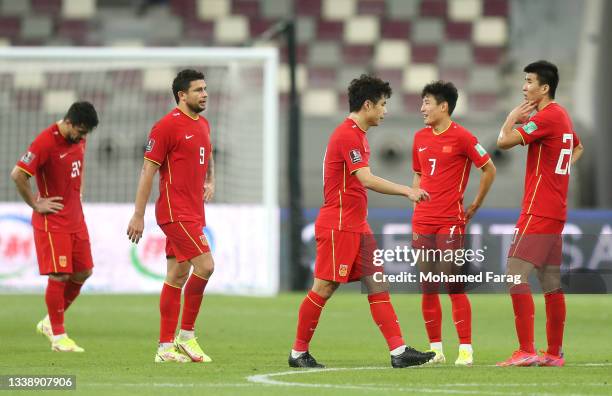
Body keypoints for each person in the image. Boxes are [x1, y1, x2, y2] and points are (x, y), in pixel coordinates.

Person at [288, 74, 435, 369]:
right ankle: (297, 353)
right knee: (324, 288)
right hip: (339, 224)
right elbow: (365, 179)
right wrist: (407, 189)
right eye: (382, 104)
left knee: (377, 283)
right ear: (367, 105)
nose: (384, 110)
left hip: (357, 224)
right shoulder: (347, 135)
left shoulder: (357, 135)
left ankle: (398, 351)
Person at [496, 60, 584, 367]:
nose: (524, 87)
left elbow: (503, 142)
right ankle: (554, 352)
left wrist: (510, 118)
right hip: (555, 209)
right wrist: (560, 174)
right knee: (550, 282)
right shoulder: (563, 117)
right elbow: (577, 147)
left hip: (538, 210)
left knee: (514, 274)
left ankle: (526, 349)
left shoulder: (547, 117)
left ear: (544, 88)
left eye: (529, 81)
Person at [127, 69, 215, 363]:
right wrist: (138, 215)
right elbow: (148, 171)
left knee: (177, 275)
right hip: (175, 211)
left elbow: (208, 152)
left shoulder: (203, 123)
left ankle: (165, 349)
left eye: (205, 89)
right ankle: (187, 336)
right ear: (182, 95)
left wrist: (210, 180)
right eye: (198, 90)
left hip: (193, 210)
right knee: (206, 265)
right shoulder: (165, 127)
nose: (204, 94)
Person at [412, 81, 496, 366]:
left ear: (443, 106)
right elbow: (418, 175)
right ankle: (435, 350)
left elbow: (489, 169)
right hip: (423, 220)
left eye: (427, 102)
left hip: (450, 220)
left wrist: (475, 204)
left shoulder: (463, 137)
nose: (422, 108)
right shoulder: (419, 138)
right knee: (428, 284)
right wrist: (415, 203)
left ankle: (465, 349)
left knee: (452, 283)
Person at [11, 101, 99, 352]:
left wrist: (77, 192)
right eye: (80, 132)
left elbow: (76, 167)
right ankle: (59, 337)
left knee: (83, 272)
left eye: (85, 134)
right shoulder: (44, 143)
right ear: (68, 122)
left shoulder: (78, 139)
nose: (82, 138)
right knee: (59, 274)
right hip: (53, 221)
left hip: (75, 218)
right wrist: (35, 204)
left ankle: (50, 322)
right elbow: (18, 174)